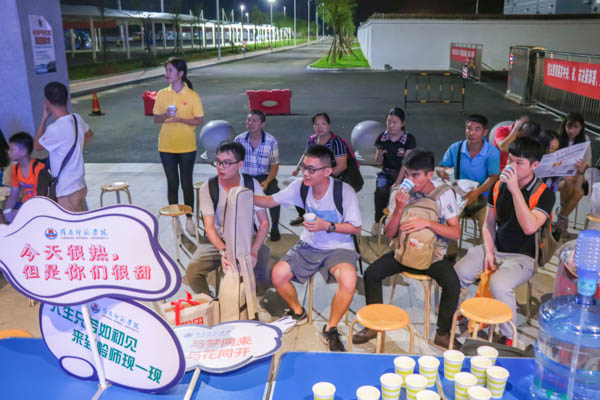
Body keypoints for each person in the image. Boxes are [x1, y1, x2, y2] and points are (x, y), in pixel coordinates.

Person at [255, 145, 362, 352]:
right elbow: (270, 201)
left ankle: (330, 328)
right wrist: (241, 194)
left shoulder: (344, 192)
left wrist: (327, 226)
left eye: (311, 169)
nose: (305, 173)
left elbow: (356, 228)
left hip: (339, 247)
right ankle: (298, 312)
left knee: (349, 280)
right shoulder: (300, 187)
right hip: (309, 244)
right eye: (304, 167)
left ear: (327, 171)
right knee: (278, 274)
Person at [353, 148, 462, 349]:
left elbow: (455, 232)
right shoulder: (399, 193)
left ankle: (443, 334)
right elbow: (389, 234)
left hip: (431, 255)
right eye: (407, 174)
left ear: (430, 174)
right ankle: (373, 326)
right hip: (402, 252)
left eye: (415, 175)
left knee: (453, 284)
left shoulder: (444, 194)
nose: (409, 180)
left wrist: (427, 223)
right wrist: (399, 208)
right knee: (371, 274)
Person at [454, 137, 555, 346]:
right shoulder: (499, 186)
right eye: (510, 160)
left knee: (499, 284)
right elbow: (488, 224)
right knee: (460, 271)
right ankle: (458, 314)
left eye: (519, 163)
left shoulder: (545, 194)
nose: (512, 166)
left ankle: (508, 336)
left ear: (535, 165)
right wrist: (489, 252)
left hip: (524, 257)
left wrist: (515, 190)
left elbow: (530, 227)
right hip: (496, 247)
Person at [186, 141, 271, 296]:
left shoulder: (251, 184)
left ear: (240, 164)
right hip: (218, 240)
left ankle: (252, 300)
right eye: (218, 162)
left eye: (227, 163)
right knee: (192, 272)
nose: (220, 167)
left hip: (247, 238)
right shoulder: (208, 187)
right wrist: (223, 250)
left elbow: (264, 222)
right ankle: (210, 301)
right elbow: (209, 227)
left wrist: (254, 251)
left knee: (267, 269)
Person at [153, 58, 204, 237]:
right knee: (172, 183)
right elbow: (156, 119)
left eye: (170, 70)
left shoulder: (192, 96)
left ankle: (189, 218)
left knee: (186, 183)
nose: (167, 74)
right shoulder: (162, 94)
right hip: (166, 146)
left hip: (187, 146)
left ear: (181, 73)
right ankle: (175, 220)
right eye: (166, 70)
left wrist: (182, 119)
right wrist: (165, 115)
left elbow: (199, 120)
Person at [436, 114, 500, 254]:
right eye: (469, 128)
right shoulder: (456, 148)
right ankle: (450, 254)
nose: (472, 133)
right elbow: (441, 166)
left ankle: (484, 256)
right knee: (447, 221)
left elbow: (494, 177)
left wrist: (477, 192)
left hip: (482, 198)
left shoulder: (492, 152)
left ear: (485, 132)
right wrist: (442, 171)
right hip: (459, 197)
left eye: (477, 129)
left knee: (487, 226)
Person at [33, 81, 93, 212]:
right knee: (80, 218)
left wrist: (44, 118)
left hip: (67, 191)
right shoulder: (76, 119)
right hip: (80, 185)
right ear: (67, 100)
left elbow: (37, 146)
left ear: (47, 103)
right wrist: (78, 149)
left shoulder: (55, 129)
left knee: (72, 224)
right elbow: (89, 134)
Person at [289, 113, 349, 226]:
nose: (319, 127)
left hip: (334, 176)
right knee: (297, 187)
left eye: (323, 124)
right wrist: (297, 168)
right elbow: (306, 154)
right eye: (316, 124)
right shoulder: (312, 140)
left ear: (329, 125)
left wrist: (324, 179)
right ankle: (302, 214)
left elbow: (341, 166)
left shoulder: (337, 142)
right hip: (315, 175)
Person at [235, 110, 281, 241]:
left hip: (264, 176)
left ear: (262, 124)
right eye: (249, 120)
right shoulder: (238, 140)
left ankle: (275, 226)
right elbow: (234, 162)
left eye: (254, 121)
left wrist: (267, 181)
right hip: (245, 176)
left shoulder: (271, 141)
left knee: (275, 194)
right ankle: (249, 226)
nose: (250, 123)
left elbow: (275, 165)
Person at [374, 107, 416, 224]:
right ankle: (378, 221)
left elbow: (405, 164)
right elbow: (378, 161)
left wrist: (397, 183)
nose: (391, 125)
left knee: (400, 195)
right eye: (389, 121)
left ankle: (399, 223)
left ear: (402, 124)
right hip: (386, 173)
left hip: (403, 175)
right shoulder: (382, 137)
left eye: (395, 122)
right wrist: (380, 154)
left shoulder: (409, 139)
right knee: (381, 190)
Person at [556, 112, 592, 238]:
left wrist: (583, 167)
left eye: (576, 127)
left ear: (581, 127)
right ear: (564, 126)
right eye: (569, 126)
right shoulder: (558, 138)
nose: (572, 130)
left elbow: (588, 162)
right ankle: (562, 223)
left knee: (580, 192)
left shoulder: (585, 139)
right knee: (569, 182)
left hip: (578, 176)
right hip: (559, 177)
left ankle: (561, 216)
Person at [1, 133, 47, 223]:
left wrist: (23, 213)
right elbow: (13, 195)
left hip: (39, 208)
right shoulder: (15, 169)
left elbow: (43, 198)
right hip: (25, 205)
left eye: (12, 149)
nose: (9, 152)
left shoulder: (39, 169)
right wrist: (7, 212)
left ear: (23, 152)